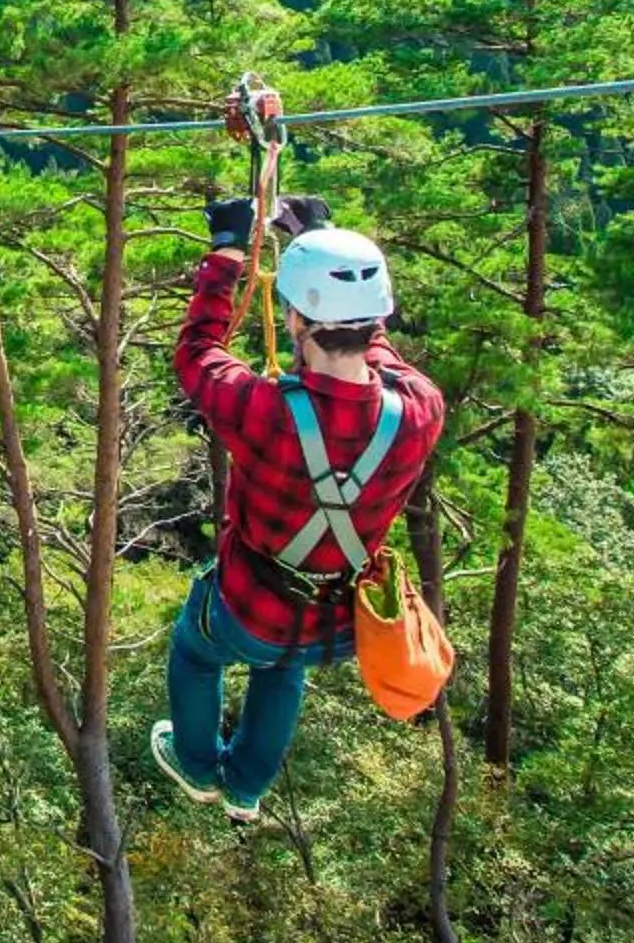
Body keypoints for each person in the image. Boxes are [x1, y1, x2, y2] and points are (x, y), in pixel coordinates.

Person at [151, 195, 444, 824]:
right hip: (337, 624)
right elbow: (380, 353)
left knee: (197, 650)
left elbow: (198, 350)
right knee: (284, 666)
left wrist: (230, 249)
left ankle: (201, 768)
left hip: (248, 608)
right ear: (376, 319)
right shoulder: (420, 408)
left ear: (293, 321)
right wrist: (319, 235)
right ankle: (246, 789)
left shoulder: (266, 411)